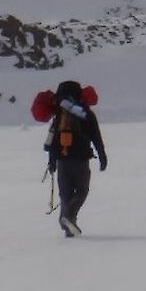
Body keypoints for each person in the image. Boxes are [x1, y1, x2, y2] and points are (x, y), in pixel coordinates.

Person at [44, 80, 107, 237]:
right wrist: (102, 156)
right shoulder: (85, 113)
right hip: (80, 159)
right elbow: (96, 136)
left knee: (66, 194)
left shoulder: (59, 115)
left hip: (62, 160)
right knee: (81, 191)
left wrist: (52, 162)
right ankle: (69, 217)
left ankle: (68, 227)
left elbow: (52, 139)